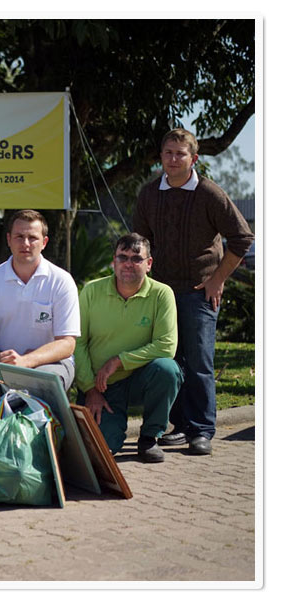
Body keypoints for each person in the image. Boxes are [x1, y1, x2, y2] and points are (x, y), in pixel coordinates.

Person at [133, 128, 254, 456]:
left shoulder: (208, 193)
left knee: (199, 361)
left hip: (199, 293)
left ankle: (201, 431)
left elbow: (242, 238)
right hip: (160, 294)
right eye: (168, 153)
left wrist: (217, 279)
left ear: (193, 158)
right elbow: (139, 243)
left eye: (180, 154)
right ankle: (180, 426)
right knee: (171, 360)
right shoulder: (148, 194)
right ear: (161, 157)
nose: (173, 159)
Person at [74, 234, 183, 462]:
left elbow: (166, 346)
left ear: (149, 264)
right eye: (122, 257)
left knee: (168, 370)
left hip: (139, 380)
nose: (128, 264)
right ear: (113, 261)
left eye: (136, 258)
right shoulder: (91, 291)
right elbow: (78, 343)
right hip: (101, 386)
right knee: (102, 450)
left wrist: (119, 360)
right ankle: (109, 431)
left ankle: (149, 437)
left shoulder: (162, 294)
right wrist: (89, 389)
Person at [0, 209, 80, 391]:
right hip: (4, 365)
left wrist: (26, 361)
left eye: (32, 238)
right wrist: (4, 360)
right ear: (9, 240)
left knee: (39, 390)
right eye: (19, 237)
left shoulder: (61, 281)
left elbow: (67, 343)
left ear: (44, 242)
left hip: (52, 365)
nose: (25, 243)